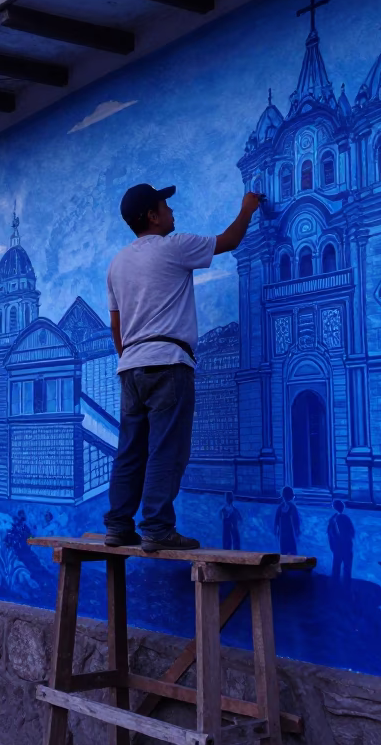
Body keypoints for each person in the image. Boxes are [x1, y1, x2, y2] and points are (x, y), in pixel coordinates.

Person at [103, 184, 263, 552]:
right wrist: (247, 208)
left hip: (131, 367)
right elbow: (230, 240)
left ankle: (118, 526)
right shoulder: (174, 248)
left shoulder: (117, 263)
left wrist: (128, 359)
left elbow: (117, 323)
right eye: (165, 205)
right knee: (166, 449)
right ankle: (157, 527)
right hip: (168, 364)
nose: (171, 210)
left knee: (130, 449)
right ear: (152, 216)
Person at [327, 500, 355, 586]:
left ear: (333, 508)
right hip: (347, 545)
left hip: (337, 546)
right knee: (347, 567)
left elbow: (330, 534)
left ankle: (335, 585)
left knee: (336, 566)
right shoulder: (346, 518)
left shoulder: (332, 519)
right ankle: (346, 585)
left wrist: (332, 546)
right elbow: (352, 532)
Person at [274, 486, 301, 556]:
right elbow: (296, 520)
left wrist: (276, 529)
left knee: (284, 550)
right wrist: (297, 530)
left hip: (283, 533)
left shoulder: (280, 507)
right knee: (291, 550)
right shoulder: (292, 507)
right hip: (289, 532)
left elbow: (276, 520)